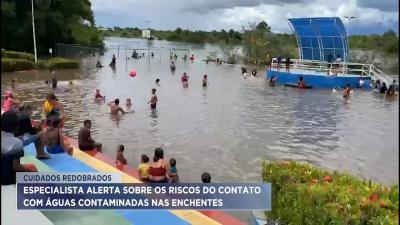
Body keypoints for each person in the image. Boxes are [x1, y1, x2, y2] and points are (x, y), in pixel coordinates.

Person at [2, 111, 38, 185]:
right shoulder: (17, 143)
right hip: (6, 178)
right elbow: (16, 166)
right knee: (32, 167)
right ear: (16, 127)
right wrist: (29, 168)